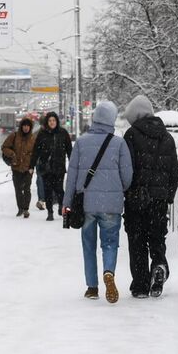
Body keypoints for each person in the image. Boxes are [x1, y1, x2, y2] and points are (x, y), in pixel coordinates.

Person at [65, 100, 133, 303]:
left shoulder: (81, 142)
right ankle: (109, 272)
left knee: (88, 245)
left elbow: (72, 175)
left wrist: (67, 202)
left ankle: (92, 287)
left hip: (86, 204)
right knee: (110, 243)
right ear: (111, 119)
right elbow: (127, 176)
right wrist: (117, 189)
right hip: (111, 204)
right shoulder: (119, 143)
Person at [121, 95, 178, 299]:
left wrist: (126, 191)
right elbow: (174, 170)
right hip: (160, 200)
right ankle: (159, 265)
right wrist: (168, 195)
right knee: (156, 237)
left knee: (137, 241)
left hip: (136, 197)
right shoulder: (167, 137)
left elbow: (125, 168)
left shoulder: (130, 135)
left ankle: (140, 285)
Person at [31, 110, 74, 219]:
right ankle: (50, 212)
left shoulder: (63, 133)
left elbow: (69, 149)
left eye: (54, 120)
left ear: (57, 121)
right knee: (47, 190)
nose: (52, 122)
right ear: (47, 122)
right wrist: (31, 166)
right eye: (50, 120)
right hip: (45, 167)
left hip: (59, 167)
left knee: (59, 189)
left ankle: (61, 206)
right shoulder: (42, 134)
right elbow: (36, 150)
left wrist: (72, 163)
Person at [0, 116, 39, 217]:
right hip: (16, 167)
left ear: (30, 127)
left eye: (28, 126)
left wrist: (32, 164)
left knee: (27, 189)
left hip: (28, 168)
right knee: (18, 189)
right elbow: (4, 147)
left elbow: (36, 153)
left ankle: (26, 209)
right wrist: (12, 154)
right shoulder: (14, 136)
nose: (26, 128)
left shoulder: (33, 139)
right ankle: (20, 208)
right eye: (24, 126)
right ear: (21, 126)